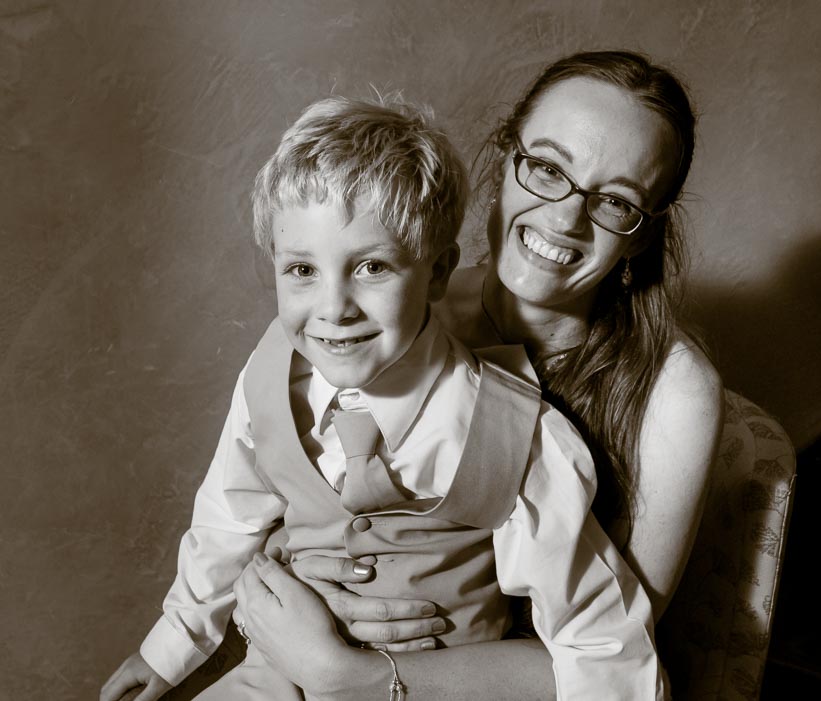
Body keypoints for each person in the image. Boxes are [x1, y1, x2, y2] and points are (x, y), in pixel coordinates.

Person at [101, 94, 667, 701]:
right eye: (301, 270)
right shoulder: (270, 372)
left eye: (372, 267)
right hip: (275, 679)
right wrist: (171, 647)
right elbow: (228, 516)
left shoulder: (514, 435)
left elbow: (604, 646)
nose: (333, 309)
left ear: (439, 272)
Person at [227, 50, 724, 700]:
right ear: (505, 159)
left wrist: (356, 674)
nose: (566, 218)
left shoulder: (677, 393)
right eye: (547, 168)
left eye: (615, 202)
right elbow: (279, 500)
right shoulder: (405, 314)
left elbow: (607, 654)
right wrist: (285, 596)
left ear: (640, 235)